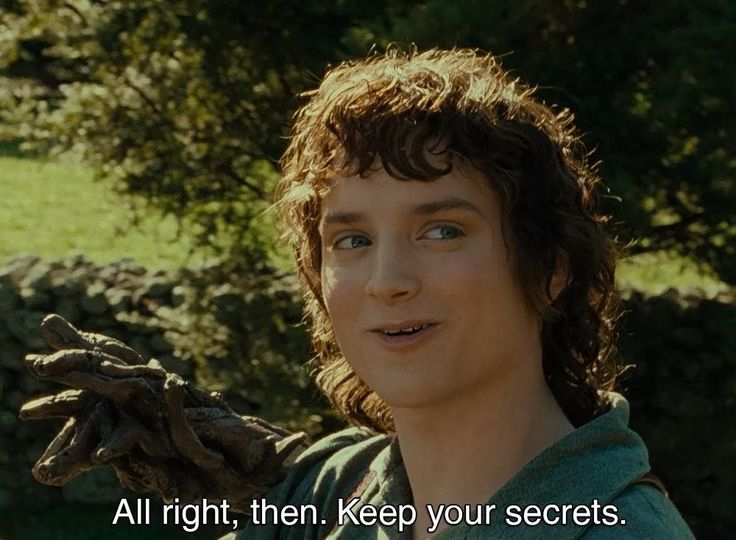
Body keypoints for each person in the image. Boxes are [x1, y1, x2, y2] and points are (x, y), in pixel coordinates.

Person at [22, 48, 694, 539]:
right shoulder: (334, 492)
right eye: (351, 240)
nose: (387, 280)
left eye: (442, 230)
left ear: (552, 267)